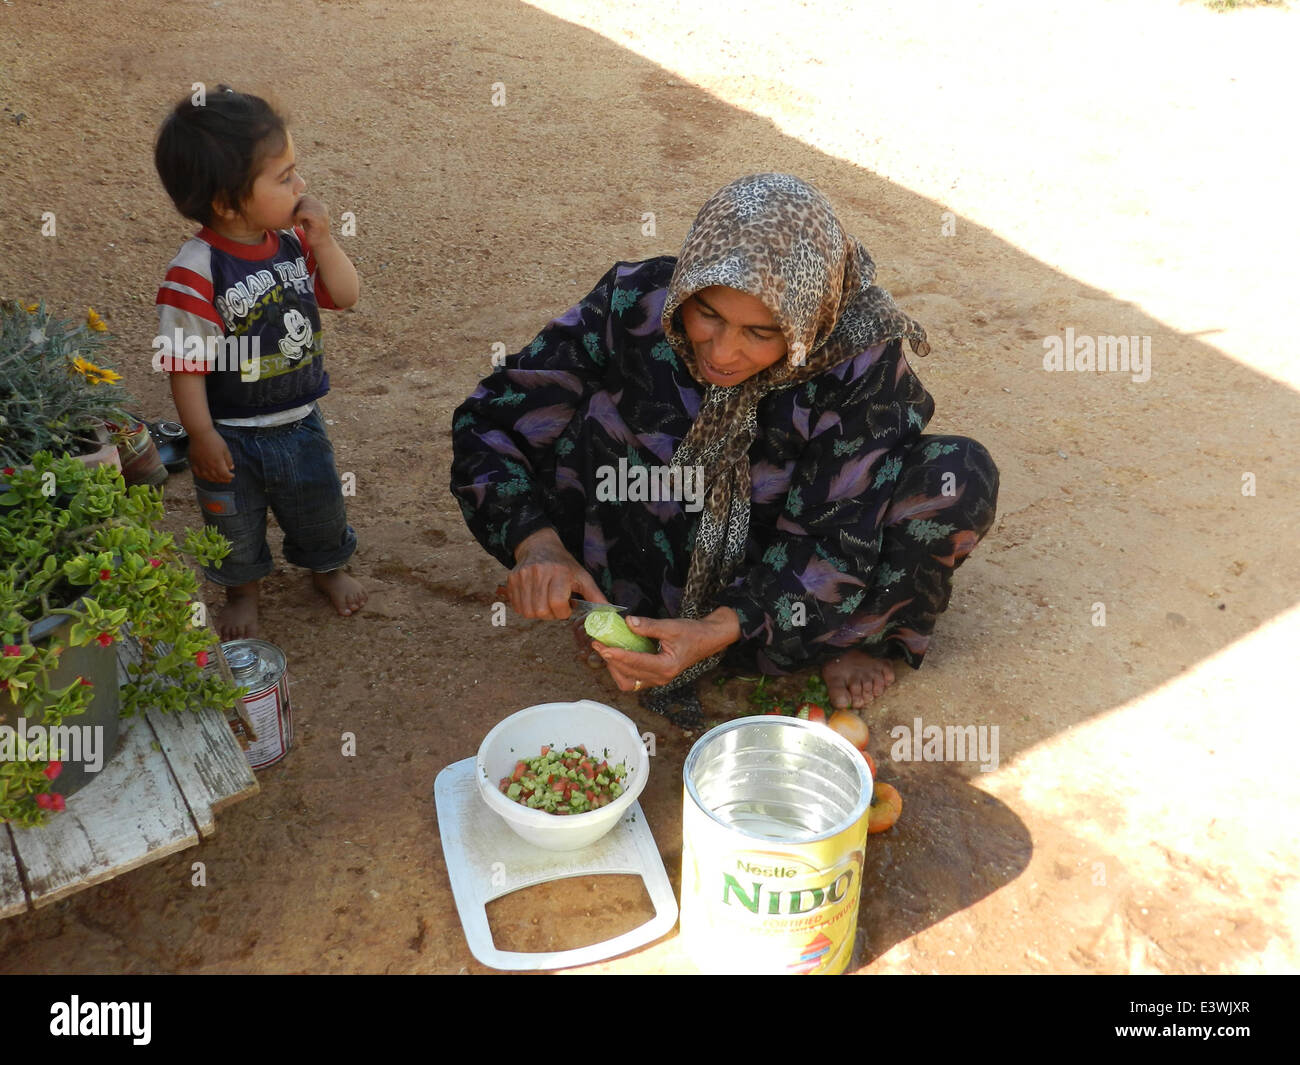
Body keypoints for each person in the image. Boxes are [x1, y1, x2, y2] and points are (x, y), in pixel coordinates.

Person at [451, 173, 997, 727]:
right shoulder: (635, 302)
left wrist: (716, 628)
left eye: (761, 333)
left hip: (776, 586)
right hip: (636, 552)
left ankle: (842, 644)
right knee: (587, 412)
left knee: (957, 476)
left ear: (807, 323)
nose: (723, 352)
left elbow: (836, 544)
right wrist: (535, 543)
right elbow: (492, 422)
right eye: (707, 314)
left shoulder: (859, 362)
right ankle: (631, 616)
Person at [153, 85, 366, 640]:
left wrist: (324, 244)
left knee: (319, 505)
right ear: (226, 203)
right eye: (285, 177)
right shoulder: (197, 272)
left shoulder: (290, 244)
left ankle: (327, 566)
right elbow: (185, 363)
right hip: (232, 431)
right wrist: (200, 435)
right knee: (232, 521)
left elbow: (344, 296)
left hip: (300, 421)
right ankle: (241, 589)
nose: (301, 186)